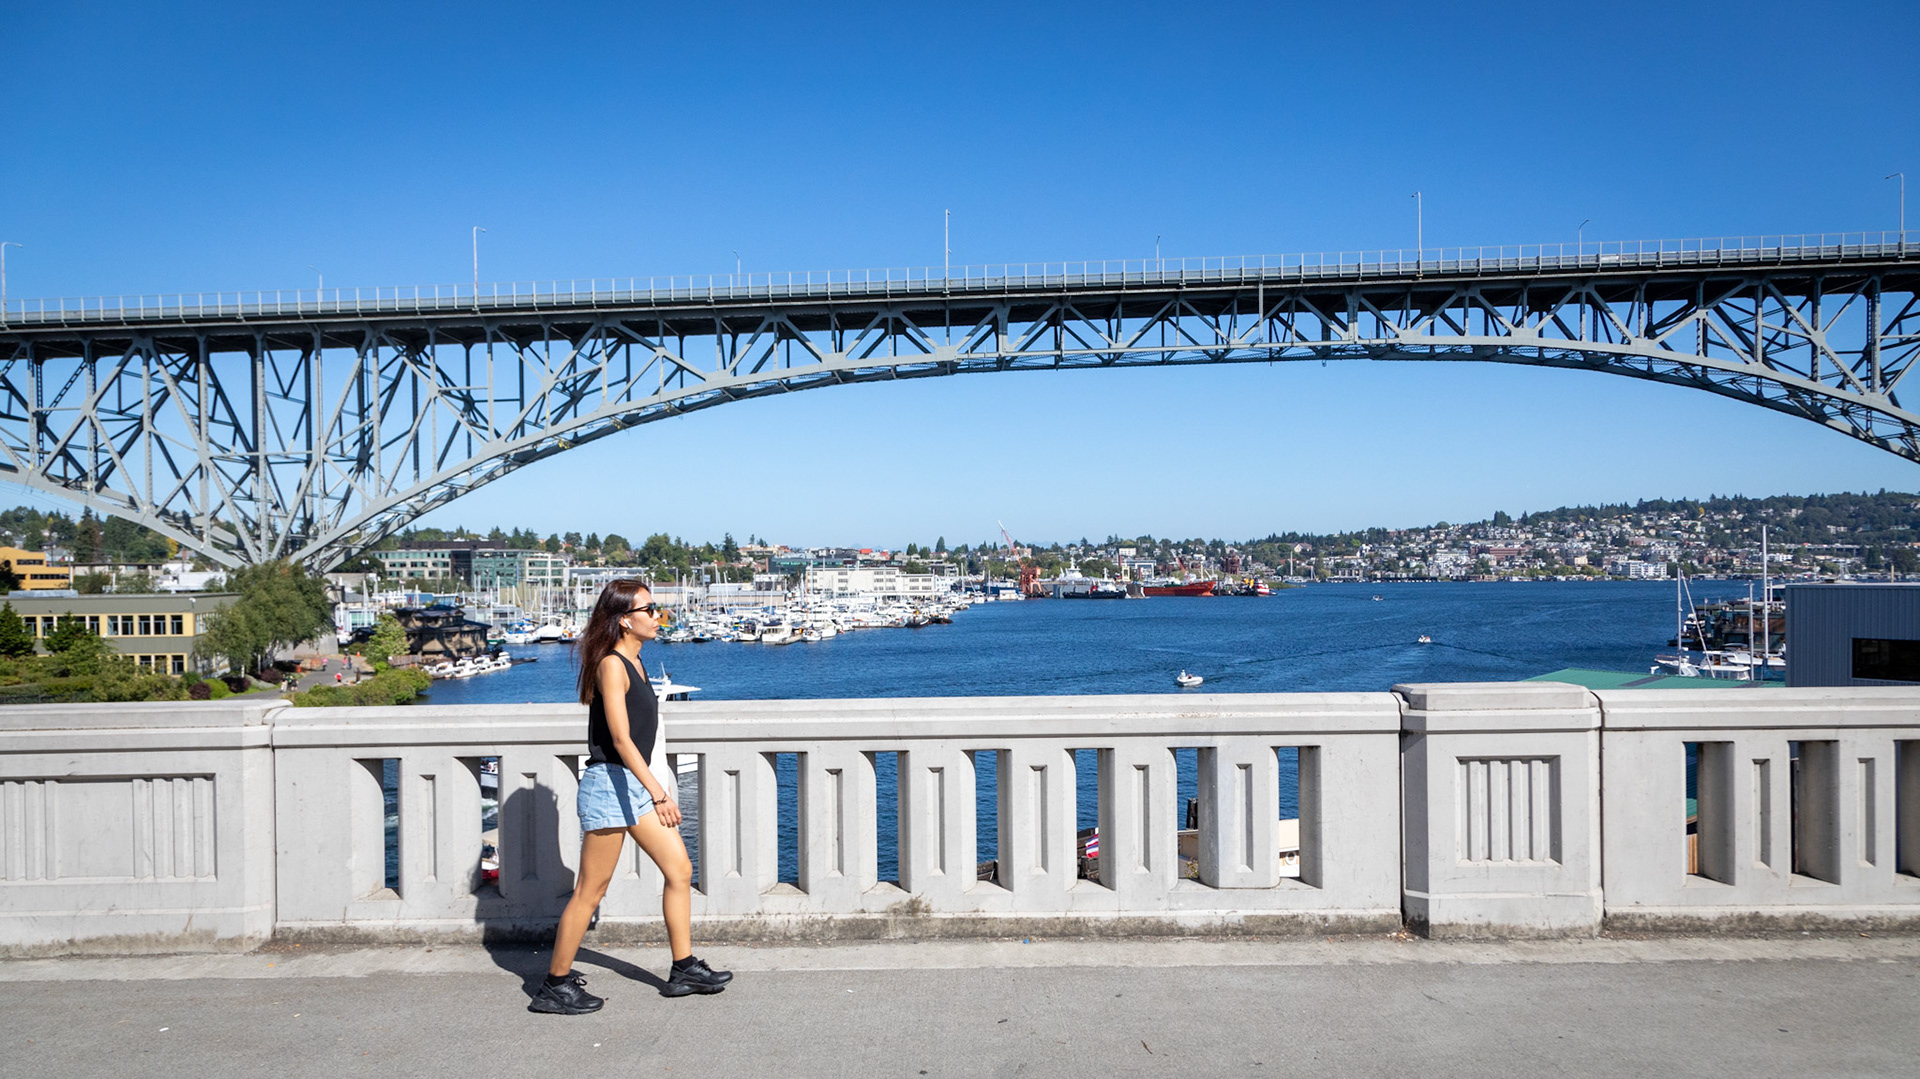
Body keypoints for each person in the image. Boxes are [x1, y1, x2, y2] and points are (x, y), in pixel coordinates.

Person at [529, 579, 732, 1015]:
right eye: (649, 609)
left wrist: (650, 788)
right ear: (625, 620)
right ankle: (554, 985)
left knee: (680, 870)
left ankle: (683, 969)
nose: (658, 616)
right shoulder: (612, 666)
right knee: (590, 891)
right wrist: (660, 793)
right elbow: (620, 740)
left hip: (634, 786)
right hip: (610, 786)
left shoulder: (638, 664)